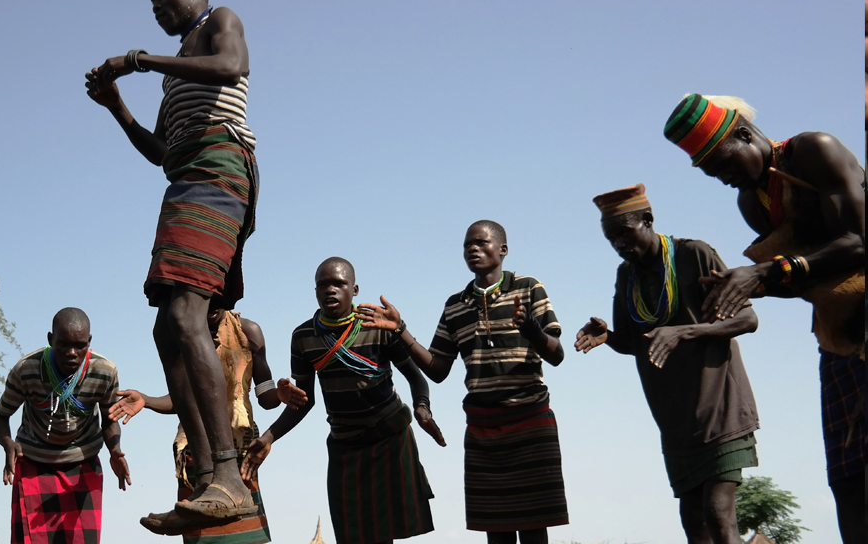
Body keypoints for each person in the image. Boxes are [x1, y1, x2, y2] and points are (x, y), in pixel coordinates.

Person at [84, 0, 261, 525]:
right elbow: (160, 151)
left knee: (187, 315)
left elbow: (233, 64)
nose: (157, 6)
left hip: (217, 172)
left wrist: (134, 60)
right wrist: (117, 107)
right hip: (185, 180)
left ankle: (229, 476)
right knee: (168, 325)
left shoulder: (220, 24)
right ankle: (208, 476)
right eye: (151, 1)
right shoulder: (177, 73)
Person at [661, 94, 865, 543]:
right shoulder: (752, 203)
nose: (724, 178)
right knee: (848, 480)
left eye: (725, 163)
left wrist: (768, 272)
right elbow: (805, 275)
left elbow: (858, 239)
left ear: (744, 134)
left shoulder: (814, 150)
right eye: (713, 173)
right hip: (838, 337)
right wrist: (745, 285)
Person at [358, 220, 569, 544]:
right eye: (467, 244)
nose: (473, 248)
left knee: (533, 525)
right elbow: (438, 369)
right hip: (484, 427)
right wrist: (401, 330)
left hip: (530, 420)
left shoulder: (528, 288)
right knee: (496, 530)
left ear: (503, 250)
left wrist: (532, 332)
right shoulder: (456, 305)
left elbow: (557, 355)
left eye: (482, 243)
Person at [575, 184, 761, 544]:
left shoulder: (694, 254)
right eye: (610, 237)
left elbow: (748, 320)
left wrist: (683, 332)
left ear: (647, 220)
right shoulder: (626, 275)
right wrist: (608, 337)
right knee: (692, 521)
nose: (618, 244)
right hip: (675, 421)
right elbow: (635, 343)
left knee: (718, 513)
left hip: (719, 408)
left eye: (623, 233)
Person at [241, 257, 441, 544]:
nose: (330, 290)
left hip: (390, 438)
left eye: (338, 284)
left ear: (355, 289)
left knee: (384, 535)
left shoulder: (378, 325)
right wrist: (270, 437)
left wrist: (422, 409)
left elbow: (417, 378)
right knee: (353, 535)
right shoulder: (303, 337)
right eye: (322, 285)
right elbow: (305, 401)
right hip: (345, 445)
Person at [110, 308, 281, 541]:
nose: (211, 305)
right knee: (201, 532)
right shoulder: (183, 335)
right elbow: (184, 399)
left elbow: (266, 395)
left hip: (238, 452)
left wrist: (281, 394)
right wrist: (147, 400)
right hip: (195, 450)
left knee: (243, 533)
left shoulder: (247, 332)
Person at [0, 307, 129, 544]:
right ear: (50, 340)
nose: (72, 353)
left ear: (90, 341)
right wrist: (8, 444)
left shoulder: (105, 371)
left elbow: (109, 419)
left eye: (80, 345)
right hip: (35, 463)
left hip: (83, 464)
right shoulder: (27, 369)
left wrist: (115, 451)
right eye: (63, 345)